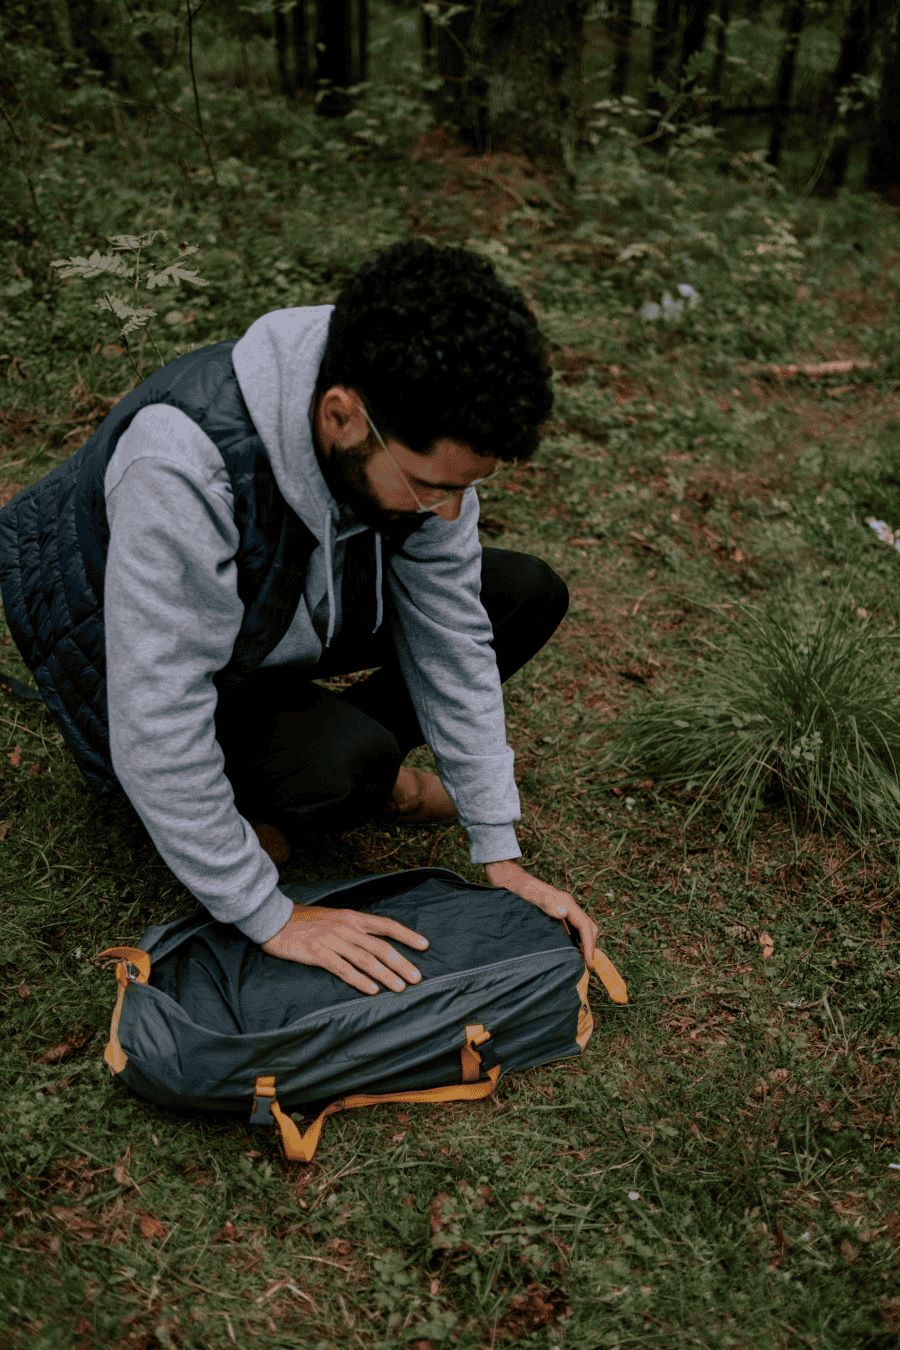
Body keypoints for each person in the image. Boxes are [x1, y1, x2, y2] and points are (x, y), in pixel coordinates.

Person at [0, 239, 598, 994]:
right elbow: (157, 715)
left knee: (522, 592)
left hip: (271, 609)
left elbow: (450, 628)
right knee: (345, 767)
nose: (448, 512)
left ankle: (310, 768)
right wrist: (269, 913)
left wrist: (497, 848)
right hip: (123, 652)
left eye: (465, 487)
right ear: (342, 416)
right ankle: (306, 787)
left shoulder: (407, 409)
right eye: (430, 486)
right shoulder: (181, 467)